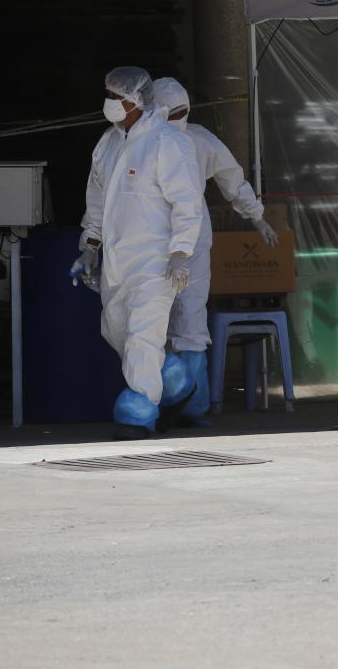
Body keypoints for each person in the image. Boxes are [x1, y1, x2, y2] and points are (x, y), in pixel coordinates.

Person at [72, 68, 204, 438]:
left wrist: (180, 251)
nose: (110, 102)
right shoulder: (108, 144)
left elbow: (187, 201)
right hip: (117, 259)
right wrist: (91, 247)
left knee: (143, 337)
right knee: (117, 332)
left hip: (156, 261)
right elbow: (96, 200)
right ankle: (176, 382)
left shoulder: (166, 142)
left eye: (116, 96)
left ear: (136, 100)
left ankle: (139, 411)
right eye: (108, 94)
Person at [152, 77, 278, 423]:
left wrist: (257, 217)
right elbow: (232, 180)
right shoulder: (161, 142)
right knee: (161, 324)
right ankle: (182, 405)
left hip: (179, 241)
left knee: (176, 323)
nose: (178, 116)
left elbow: (231, 178)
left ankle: (180, 405)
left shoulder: (171, 142)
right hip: (167, 241)